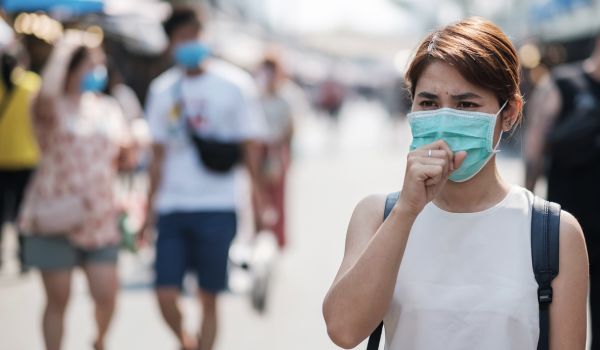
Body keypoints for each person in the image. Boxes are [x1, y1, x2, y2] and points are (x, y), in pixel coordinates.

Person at [323, 17, 588, 350]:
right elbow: (343, 331)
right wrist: (407, 211)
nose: (445, 119)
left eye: (466, 104)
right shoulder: (379, 215)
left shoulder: (554, 233)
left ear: (508, 113)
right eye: (429, 103)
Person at [144, 7, 268, 350]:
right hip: (172, 205)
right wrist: (148, 209)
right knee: (164, 292)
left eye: (194, 35)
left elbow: (251, 150)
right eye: (181, 38)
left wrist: (258, 203)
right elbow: (156, 157)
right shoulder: (161, 90)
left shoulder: (236, 85)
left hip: (219, 204)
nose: (189, 44)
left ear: (205, 35)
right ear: (169, 44)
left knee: (208, 297)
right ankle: (186, 341)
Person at [18, 38, 134, 350]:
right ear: (69, 69)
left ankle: (99, 340)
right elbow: (46, 97)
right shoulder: (49, 105)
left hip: (99, 219)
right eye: (90, 64)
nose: (98, 70)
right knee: (58, 300)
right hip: (54, 215)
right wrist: (66, 49)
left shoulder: (108, 108)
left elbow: (124, 153)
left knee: (107, 294)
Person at [525, 35, 600, 348]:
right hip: (568, 225)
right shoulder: (564, 83)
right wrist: (524, 209)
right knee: (557, 318)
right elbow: (535, 150)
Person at [0, 41, 41, 273]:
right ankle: (24, 257)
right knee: (22, 212)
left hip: (1, 157)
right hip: (26, 157)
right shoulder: (32, 84)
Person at [254, 57, 294, 248]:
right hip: (257, 148)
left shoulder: (286, 98)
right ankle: (258, 232)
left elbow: (290, 128)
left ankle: (277, 238)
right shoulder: (256, 96)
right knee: (257, 193)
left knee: (278, 195)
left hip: (276, 148)